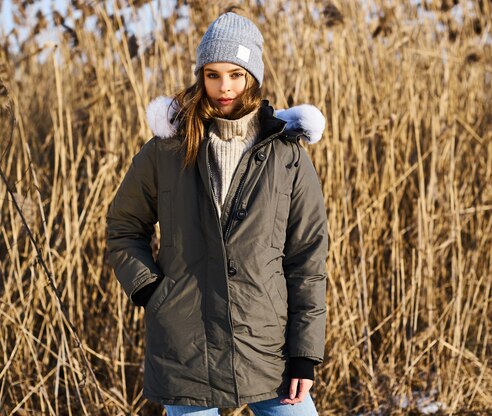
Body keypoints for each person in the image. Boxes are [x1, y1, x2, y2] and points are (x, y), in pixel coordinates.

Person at [106, 12, 328, 416]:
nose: (223, 87)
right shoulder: (166, 150)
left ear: (252, 78)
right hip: (186, 343)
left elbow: (307, 259)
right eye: (212, 74)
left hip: (266, 344)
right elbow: (123, 227)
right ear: (200, 75)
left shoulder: (286, 155)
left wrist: (304, 352)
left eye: (235, 74)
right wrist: (150, 290)